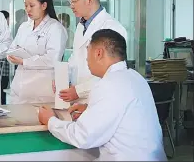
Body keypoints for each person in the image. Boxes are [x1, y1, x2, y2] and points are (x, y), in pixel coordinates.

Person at [39, 29, 166, 161]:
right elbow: (122, 113)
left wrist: (50, 121)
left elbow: (83, 136)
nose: (87, 59)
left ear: (98, 53)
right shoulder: (135, 77)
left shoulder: (109, 84)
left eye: (88, 51)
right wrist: (90, 109)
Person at [57, 0, 127, 104]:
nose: (71, 5)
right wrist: (63, 79)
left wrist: (79, 91)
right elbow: (75, 57)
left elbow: (112, 73)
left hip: (99, 98)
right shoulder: (81, 25)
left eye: (73, 1)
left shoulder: (112, 28)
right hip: (77, 99)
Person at [8, 0, 67, 104]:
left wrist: (24, 61)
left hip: (41, 92)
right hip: (19, 89)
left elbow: (52, 59)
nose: (28, 9)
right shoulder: (24, 27)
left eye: (31, 5)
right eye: (25, 6)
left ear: (44, 5)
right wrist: (11, 57)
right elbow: (12, 48)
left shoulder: (55, 28)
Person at [0, 10, 10, 105]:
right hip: (1, 70)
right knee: (1, 92)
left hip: (6, 69)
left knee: (3, 91)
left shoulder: (7, 32)